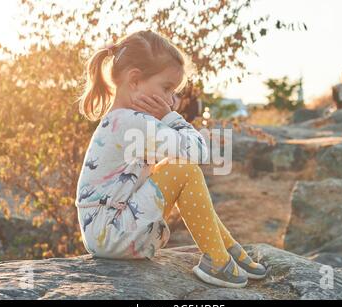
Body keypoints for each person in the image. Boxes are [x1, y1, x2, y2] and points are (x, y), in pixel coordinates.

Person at [74, 30, 267, 288]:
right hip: (110, 232)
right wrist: (171, 118)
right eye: (167, 88)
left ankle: (226, 249)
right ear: (134, 81)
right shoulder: (131, 122)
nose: (171, 101)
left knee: (177, 169)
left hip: (109, 231)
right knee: (183, 169)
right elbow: (199, 152)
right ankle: (219, 261)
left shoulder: (123, 119)